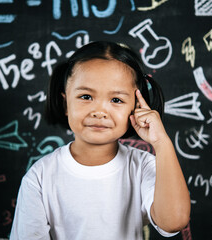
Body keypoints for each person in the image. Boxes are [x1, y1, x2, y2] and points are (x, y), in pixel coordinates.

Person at [10, 41, 190, 239]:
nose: (99, 112)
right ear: (66, 103)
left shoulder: (142, 166)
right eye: (86, 96)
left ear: (136, 108)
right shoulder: (40, 176)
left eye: (116, 100)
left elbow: (174, 222)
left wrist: (162, 143)